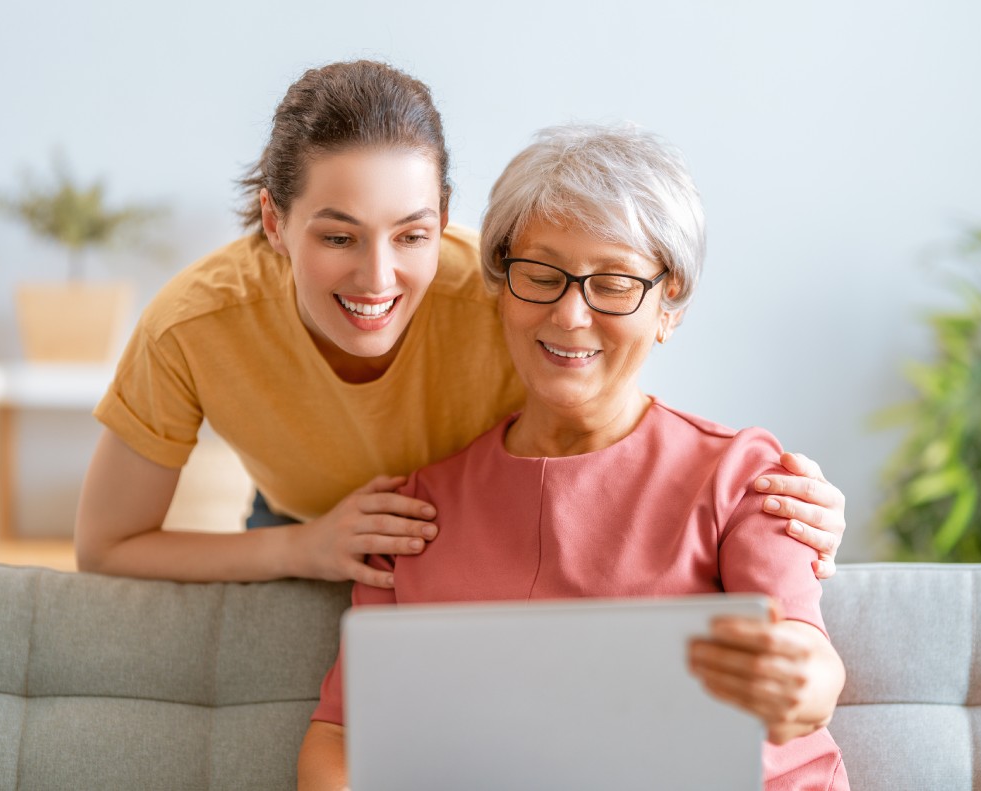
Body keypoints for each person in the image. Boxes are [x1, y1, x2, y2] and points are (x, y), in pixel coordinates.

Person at [76, 60, 847, 588]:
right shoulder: (194, 325)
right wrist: (304, 547)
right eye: (338, 236)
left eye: (411, 234)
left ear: (445, 217)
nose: (377, 279)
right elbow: (107, 547)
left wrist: (768, 515)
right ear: (276, 222)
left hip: (489, 528)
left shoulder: (512, 292)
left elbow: (617, 428)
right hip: (301, 522)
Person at [299, 123, 849, 790]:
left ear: (667, 305)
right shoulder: (415, 515)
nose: (570, 315)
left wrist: (803, 682)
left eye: (613, 283)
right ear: (501, 283)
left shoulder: (740, 477)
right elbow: (341, 734)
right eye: (541, 274)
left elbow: (807, 654)